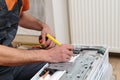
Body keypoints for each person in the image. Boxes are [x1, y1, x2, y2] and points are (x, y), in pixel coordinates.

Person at [0, 0, 73, 80]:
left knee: (53, 65)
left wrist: (43, 26)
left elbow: (20, 16)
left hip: (10, 62)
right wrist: (49, 55)